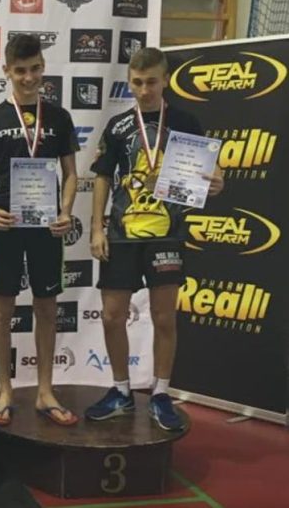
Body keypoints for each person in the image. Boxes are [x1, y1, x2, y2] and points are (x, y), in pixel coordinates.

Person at [86, 47, 224, 431]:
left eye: (151, 82)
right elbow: (102, 177)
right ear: (129, 82)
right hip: (121, 232)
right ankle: (121, 390)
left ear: (165, 80)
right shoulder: (118, 126)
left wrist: (217, 181)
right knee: (112, 316)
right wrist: (96, 228)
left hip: (168, 233)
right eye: (137, 82)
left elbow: (209, 171)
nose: (144, 90)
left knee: (164, 316)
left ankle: (161, 393)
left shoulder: (185, 122)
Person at [0, 34, 79, 426]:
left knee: (46, 306)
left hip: (47, 226)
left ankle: (45, 390)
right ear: (6, 71)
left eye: (35, 69)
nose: (29, 77)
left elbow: (71, 174)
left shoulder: (60, 117)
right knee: (3, 308)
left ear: (43, 67)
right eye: (20, 71)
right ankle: (4, 390)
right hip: (7, 223)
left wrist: (65, 211)